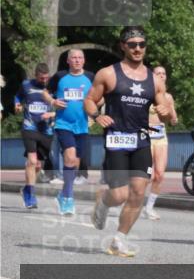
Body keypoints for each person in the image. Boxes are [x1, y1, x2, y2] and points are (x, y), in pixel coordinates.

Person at [85, 27, 171, 257]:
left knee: (138, 194)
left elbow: (169, 117)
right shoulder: (108, 74)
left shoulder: (154, 80)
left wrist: (165, 111)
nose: (137, 48)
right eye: (132, 44)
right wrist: (96, 116)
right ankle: (103, 202)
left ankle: (118, 240)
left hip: (142, 140)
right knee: (120, 195)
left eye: (141, 44)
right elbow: (90, 100)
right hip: (116, 139)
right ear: (123, 46)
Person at [45, 50, 95, 215]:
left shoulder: (90, 77)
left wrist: (93, 112)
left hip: (82, 126)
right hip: (63, 124)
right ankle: (69, 199)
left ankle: (64, 194)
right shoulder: (60, 76)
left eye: (80, 57)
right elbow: (44, 92)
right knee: (70, 156)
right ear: (67, 60)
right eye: (73, 57)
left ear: (84, 60)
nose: (77, 60)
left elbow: (99, 97)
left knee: (75, 163)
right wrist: (53, 101)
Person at [15, 64, 55, 209]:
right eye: (41, 78)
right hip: (29, 126)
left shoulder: (53, 87)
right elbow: (18, 96)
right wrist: (17, 104)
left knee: (38, 165)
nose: (44, 80)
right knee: (32, 161)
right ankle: (30, 195)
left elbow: (64, 106)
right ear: (35, 75)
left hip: (46, 131)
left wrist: (52, 114)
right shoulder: (26, 85)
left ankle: (26, 188)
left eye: (46, 78)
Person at [143, 66, 178, 220]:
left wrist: (171, 115)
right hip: (146, 136)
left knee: (160, 174)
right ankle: (134, 201)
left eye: (164, 73)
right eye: (158, 73)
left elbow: (174, 121)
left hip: (161, 136)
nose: (162, 76)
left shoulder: (168, 97)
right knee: (147, 175)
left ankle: (149, 207)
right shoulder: (145, 94)